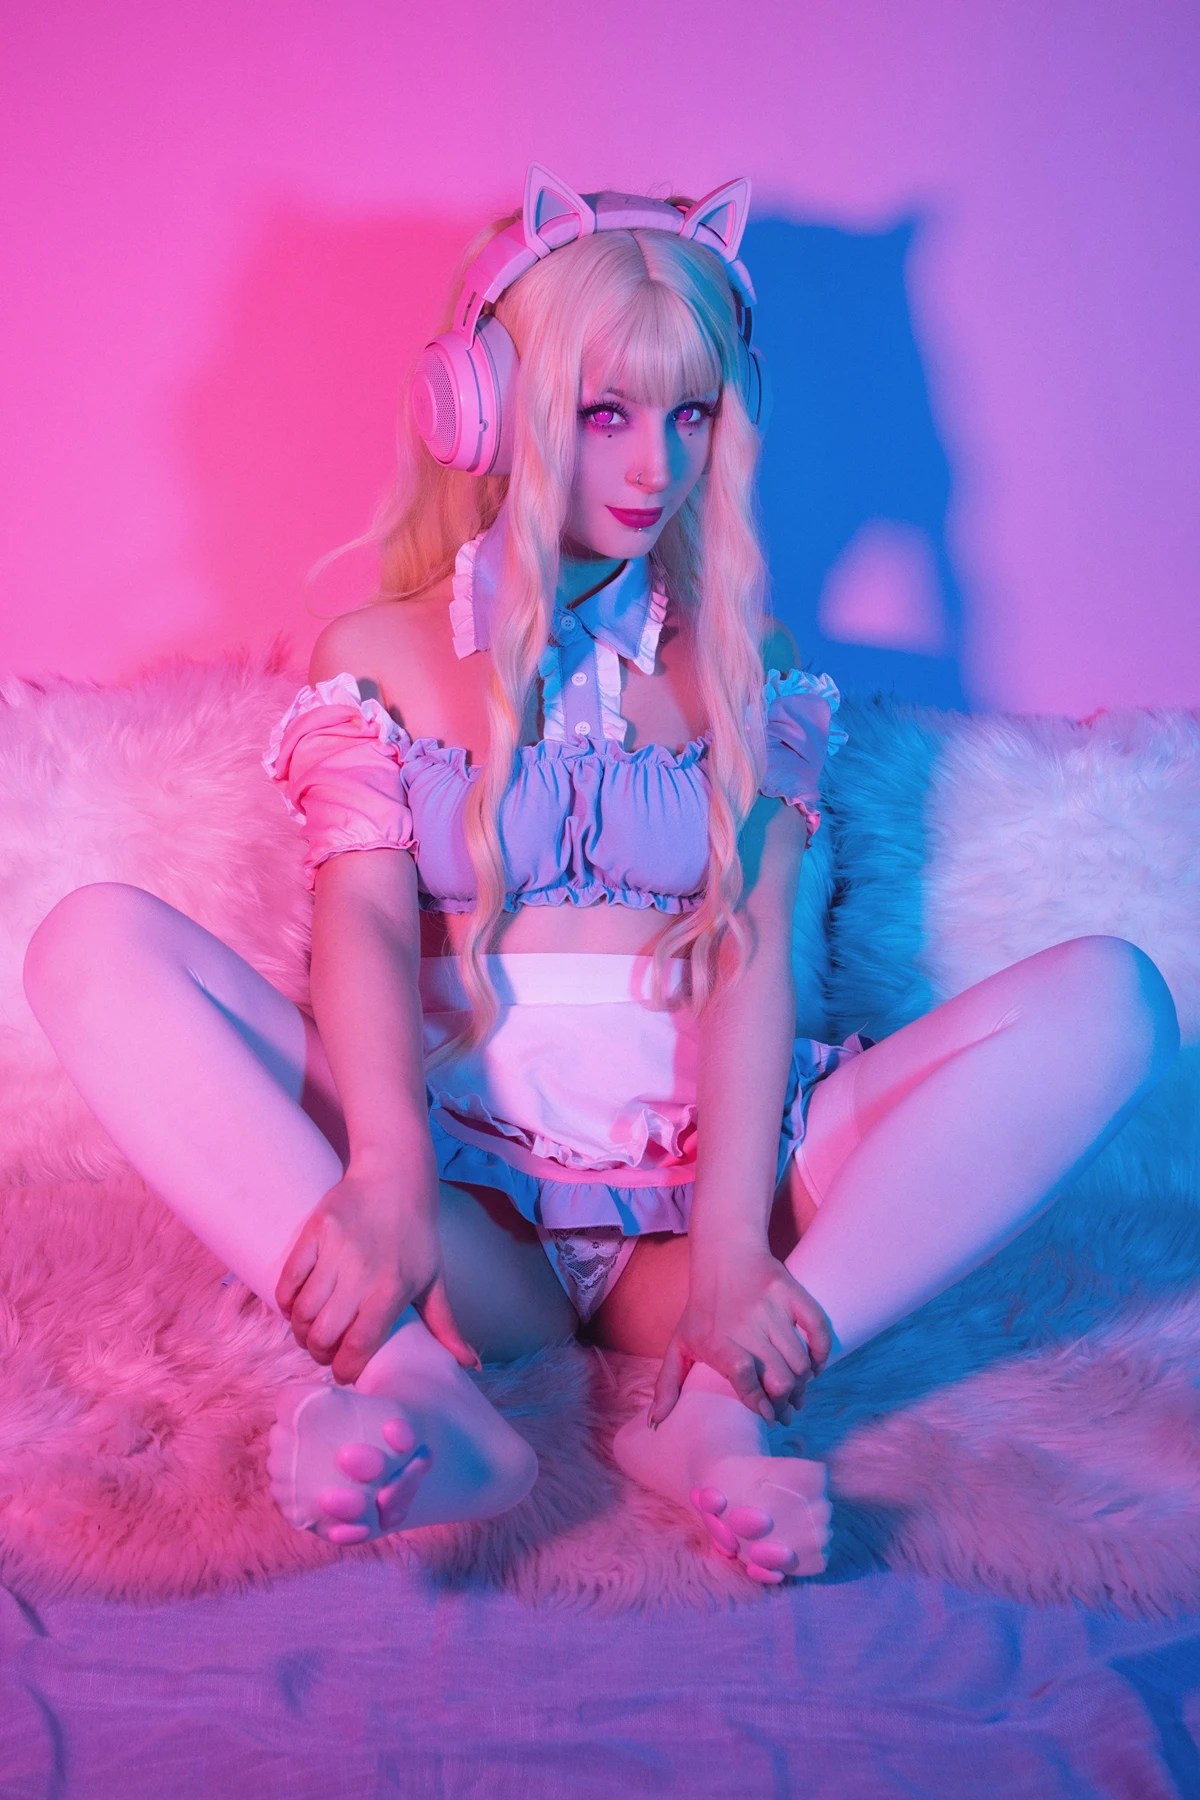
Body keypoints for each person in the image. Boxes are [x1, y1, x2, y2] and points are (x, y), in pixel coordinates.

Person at [22, 167, 1181, 1587]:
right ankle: (417, 1387)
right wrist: (386, 1173)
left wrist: (738, 1248)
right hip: (460, 1210)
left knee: (1115, 997)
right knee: (88, 940)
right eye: (606, 413)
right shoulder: (376, 659)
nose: (654, 467)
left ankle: (722, 1402)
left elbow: (756, 959)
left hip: (711, 1216)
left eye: (690, 416)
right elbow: (363, 928)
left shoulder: (746, 671)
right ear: (481, 410)